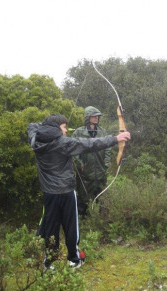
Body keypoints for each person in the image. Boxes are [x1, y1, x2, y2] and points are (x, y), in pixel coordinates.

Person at [27, 114, 130, 269]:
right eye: (63, 127)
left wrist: (47, 126)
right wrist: (116, 138)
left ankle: (50, 263)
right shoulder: (63, 143)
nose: (66, 130)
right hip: (67, 193)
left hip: (49, 194)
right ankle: (74, 259)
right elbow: (90, 144)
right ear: (56, 128)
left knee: (51, 228)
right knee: (71, 227)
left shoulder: (35, 140)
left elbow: (32, 125)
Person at [72, 106, 111, 216]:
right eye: (94, 116)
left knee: (101, 196)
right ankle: (84, 220)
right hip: (85, 173)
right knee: (84, 198)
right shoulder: (78, 132)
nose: (96, 118)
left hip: (100, 171)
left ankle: (101, 220)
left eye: (97, 116)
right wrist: (80, 164)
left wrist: (106, 164)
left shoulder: (102, 131)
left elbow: (108, 147)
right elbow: (73, 149)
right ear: (88, 117)